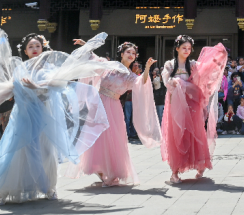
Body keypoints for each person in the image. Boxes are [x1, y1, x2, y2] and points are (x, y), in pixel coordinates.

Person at [0, 16, 120, 204]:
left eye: (37, 46)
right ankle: (8, 190)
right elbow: (7, 90)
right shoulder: (20, 68)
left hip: (45, 116)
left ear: (43, 49)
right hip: (23, 116)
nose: (34, 49)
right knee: (18, 151)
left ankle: (49, 187)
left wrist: (37, 87)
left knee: (46, 152)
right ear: (25, 50)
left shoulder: (49, 67)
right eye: (31, 46)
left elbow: (56, 86)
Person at [71, 42, 158, 187]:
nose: (131, 55)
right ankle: (102, 171)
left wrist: (147, 69)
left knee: (113, 139)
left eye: (133, 54)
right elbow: (93, 58)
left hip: (113, 106)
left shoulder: (130, 76)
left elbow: (141, 83)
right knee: (95, 139)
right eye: (128, 52)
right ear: (121, 54)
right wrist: (86, 44)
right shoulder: (109, 65)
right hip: (98, 104)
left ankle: (112, 173)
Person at [160, 35, 228, 184]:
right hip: (175, 104)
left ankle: (200, 165)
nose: (186, 50)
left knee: (195, 133)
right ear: (177, 48)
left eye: (189, 48)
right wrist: (177, 82)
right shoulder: (170, 65)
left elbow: (207, 71)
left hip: (191, 105)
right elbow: (166, 81)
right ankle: (175, 171)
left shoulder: (193, 65)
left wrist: (219, 57)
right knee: (176, 134)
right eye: (184, 47)